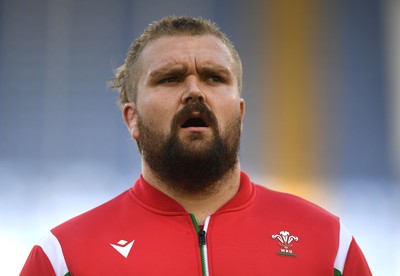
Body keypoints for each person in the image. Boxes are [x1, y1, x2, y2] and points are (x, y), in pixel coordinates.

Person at [21, 16, 372, 275]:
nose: (195, 90)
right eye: (170, 78)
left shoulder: (328, 245)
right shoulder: (64, 258)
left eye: (214, 77)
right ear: (132, 118)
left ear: (240, 110)